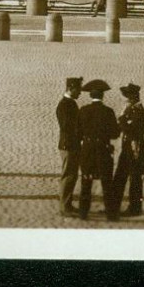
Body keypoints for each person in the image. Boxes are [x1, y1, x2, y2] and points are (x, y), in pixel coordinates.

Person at [76, 79, 119, 220]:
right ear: (102, 96)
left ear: (90, 96)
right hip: (103, 150)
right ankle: (111, 214)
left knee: (86, 182)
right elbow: (115, 133)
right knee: (107, 182)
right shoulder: (108, 112)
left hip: (87, 150)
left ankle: (83, 212)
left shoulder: (83, 111)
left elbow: (78, 132)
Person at [113, 83, 144, 217]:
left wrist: (122, 120)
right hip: (127, 148)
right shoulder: (131, 109)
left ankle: (134, 208)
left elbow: (132, 130)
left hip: (135, 149)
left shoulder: (139, 112)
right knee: (119, 177)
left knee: (135, 179)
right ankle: (113, 206)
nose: (125, 100)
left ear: (133, 97)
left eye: (127, 97)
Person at [56, 76, 83, 215]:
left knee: (72, 175)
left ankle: (68, 204)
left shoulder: (70, 103)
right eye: (78, 90)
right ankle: (65, 207)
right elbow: (66, 126)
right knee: (68, 175)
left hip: (71, 144)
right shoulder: (65, 105)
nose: (80, 93)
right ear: (70, 88)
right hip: (69, 145)